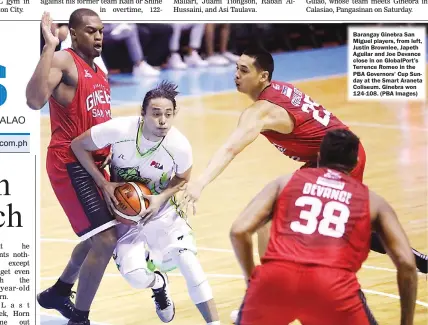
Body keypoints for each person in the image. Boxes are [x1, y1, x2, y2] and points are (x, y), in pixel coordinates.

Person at [180, 46, 428, 275]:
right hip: (338, 153)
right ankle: (419, 262)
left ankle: (273, 288)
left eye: (244, 70)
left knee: (273, 219)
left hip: (341, 159)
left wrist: (200, 182)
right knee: (346, 226)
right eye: (236, 68)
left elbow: (230, 149)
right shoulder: (280, 88)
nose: (236, 75)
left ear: (263, 76)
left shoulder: (260, 112)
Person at [70, 81, 221, 325]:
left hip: (160, 212)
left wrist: (160, 198)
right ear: (143, 114)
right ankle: (159, 283)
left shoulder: (179, 145)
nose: (163, 121)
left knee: (188, 262)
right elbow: (78, 145)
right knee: (136, 278)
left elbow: (183, 177)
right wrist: (104, 183)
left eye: (168, 115)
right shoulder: (119, 130)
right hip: (125, 217)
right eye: (156, 113)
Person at [230, 129, 418, 325]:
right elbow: (406, 263)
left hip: (276, 279)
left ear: (319, 158)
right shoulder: (374, 202)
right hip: (331, 286)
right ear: (355, 163)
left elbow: (239, 231)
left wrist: (252, 279)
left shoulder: (285, 182)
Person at [26, 10, 117, 325]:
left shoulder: (100, 74)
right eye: (91, 31)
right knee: (105, 240)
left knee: (100, 236)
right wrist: (49, 46)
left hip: (93, 162)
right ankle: (79, 318)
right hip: (69, 163)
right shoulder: (65, 61)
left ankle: (60, 291)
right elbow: (35, 100)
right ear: (75, 34)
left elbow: (100, 126)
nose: (98, 36)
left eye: (101, 31)